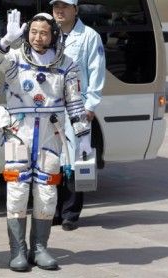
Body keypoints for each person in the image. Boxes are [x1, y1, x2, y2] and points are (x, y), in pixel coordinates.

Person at [0, 10, 91, 271]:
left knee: (47, 192)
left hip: (51, 137)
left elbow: (75, 103)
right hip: (19, 135)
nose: (38, 37)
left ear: (53, 36)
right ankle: (17, 251)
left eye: (44, 33)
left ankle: (40, 248)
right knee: (17, 193)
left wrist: (83, 138)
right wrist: (6, 40)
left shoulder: (67, 65)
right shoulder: (15, 59)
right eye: (33, 32)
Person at [50, 0, 106, 231]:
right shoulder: (47, 33)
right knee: (52, 159)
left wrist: (91, 105)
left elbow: (97, 70)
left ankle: (70, 213)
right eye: (56, 7)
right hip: (50, 106)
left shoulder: (89, 36)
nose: (59, 11)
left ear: (76, 10)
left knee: (76, 158)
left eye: (65, 7)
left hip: (77, 105)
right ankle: (52, 209)